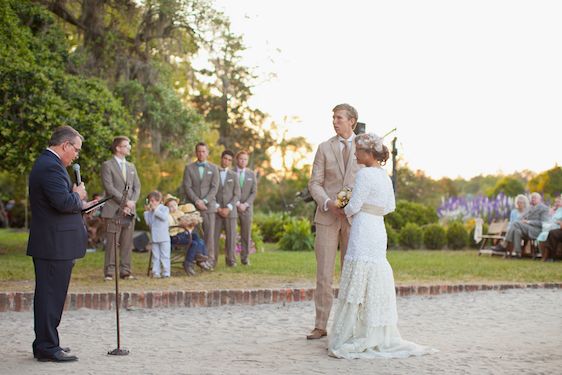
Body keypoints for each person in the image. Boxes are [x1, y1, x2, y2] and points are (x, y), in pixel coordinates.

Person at [328, 133, 436, 359]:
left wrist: (342, 210)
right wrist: (372, 210)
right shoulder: (384, 176)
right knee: (374, 275)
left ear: (368, 154)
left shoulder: (364, 174)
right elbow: (390, 207)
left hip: (364, 229)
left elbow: (354, 205)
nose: (355, 153)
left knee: (359, 274)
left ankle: (350, 334)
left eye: (358, 150)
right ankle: (374, 332)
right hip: (378, 228)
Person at [27, 125, 94, 362]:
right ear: (65, 145)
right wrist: (78, 196)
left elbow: (62, 204)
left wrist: (82, 204)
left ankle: (47, 342)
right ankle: (46, 347)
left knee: (53, 295)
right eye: (75, 150)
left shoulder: (50, 165)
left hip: (56, 243)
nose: (76, 155)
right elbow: (63, 202)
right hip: (52, 245)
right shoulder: (49, 167)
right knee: (49, 296)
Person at [307, 103, 362, 340]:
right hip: (327, 217)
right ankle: (320, 325)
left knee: (352, 272)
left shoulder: (366, 146)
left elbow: (372, 179)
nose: (335, 121)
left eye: (339, 117)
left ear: (352, 121)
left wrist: (355, 205)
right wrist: (328, 203)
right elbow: (314, 183)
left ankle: (350, 324)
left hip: (355, 220)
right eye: (333, 118)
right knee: (324, 273)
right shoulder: (323, 148)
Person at [101, 136, 141, 281]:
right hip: (113, 210)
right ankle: (109, 272)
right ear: (118, 148)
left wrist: (132, 202)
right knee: (112, 242)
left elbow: (137, 187)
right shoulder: (107, 165)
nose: (129, 148)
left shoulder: (131, 167)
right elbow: (109, 188)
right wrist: (125, 203)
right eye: (126, 145)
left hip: (130, 211)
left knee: (127, 242)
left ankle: (125, 271)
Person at [181, 142, 219, 266]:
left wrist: (205, 201)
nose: (201, 153)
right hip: (193, 206)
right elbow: (187, 187)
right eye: (199, 151)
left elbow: (214, 188)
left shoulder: (214, 168)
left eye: (203, 151)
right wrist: (197, 201)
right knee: (195, 234)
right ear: (195, 152)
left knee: (209, 234)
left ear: (207, 153)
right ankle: (196, 258)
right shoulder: (189, 168)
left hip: (209, 207)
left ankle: (209, 260)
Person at [165, 195, 212, 274]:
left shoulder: (180, 213)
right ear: (166, 208)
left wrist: (189, 222)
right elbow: (172, 226)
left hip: (183, 233)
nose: (173, 207)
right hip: (175, 236)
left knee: (198, 238)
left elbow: (186, 220)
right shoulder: (168, 215)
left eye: (175, 205)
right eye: (170, 206)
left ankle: (201, 258)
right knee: (193, 243)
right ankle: (188, 263)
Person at [492, 192, 550, 257]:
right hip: (526, 228)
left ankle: (504, 244)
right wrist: (521, 221)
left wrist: (528, 222)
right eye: (532, 198)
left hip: (536, 230)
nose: (533, 199)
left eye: (535, 198)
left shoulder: (544, 208)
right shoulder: (529, 208)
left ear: (540, 199)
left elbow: (544, 223)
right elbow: (520, 217)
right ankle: (518, 253)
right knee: (517, 230)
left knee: (516, 223)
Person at [213, 150, 241, 267]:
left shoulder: (234, 175)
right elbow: (211, 192)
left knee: (231, 237)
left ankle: (231, 261)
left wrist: (229, 208)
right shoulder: (214, 173)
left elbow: (237, 194)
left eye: (230, 160)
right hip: (216, 211)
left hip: (231, 212)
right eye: (225, 159)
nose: (227, 161)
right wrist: (218, 208)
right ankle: (212, 261)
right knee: (213, 237)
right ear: (221, 159)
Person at [235, 150, 258, 265]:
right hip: (233, 207)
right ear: (237, 160)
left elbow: (254, 192)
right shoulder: (231, 172)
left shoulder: (251, 174)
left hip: (247, 208)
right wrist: (237, 203)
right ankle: (231, 259)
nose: (243, 161)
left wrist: (245, 204)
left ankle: (245, 258)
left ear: (247, 161)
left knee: (246, 234)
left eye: (245, 159)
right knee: (231, 233)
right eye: (241, 159)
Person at [144, 191, 171, 278]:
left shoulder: (164, 209)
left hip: (164, 237)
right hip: (154, 237)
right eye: (150, 201)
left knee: (165, 256)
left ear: (158, 200)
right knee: (155, 256)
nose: (151, 203)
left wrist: (155, 210)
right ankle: (156, 272)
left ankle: (166, 272)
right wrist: (147, 212)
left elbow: (164, 218)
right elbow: (148, 223)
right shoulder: (150, 212)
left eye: (152, 201)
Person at [537, 195, 562, 261]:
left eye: (559, 201)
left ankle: (549, 256)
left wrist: (560, 223)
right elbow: (549, 219)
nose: (557, 203)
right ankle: (546, 256)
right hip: (553, 227)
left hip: (557, 227)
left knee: (551, 233)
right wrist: (551, 213)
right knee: (544, 234)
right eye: (556, 202)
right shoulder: (555, 210)